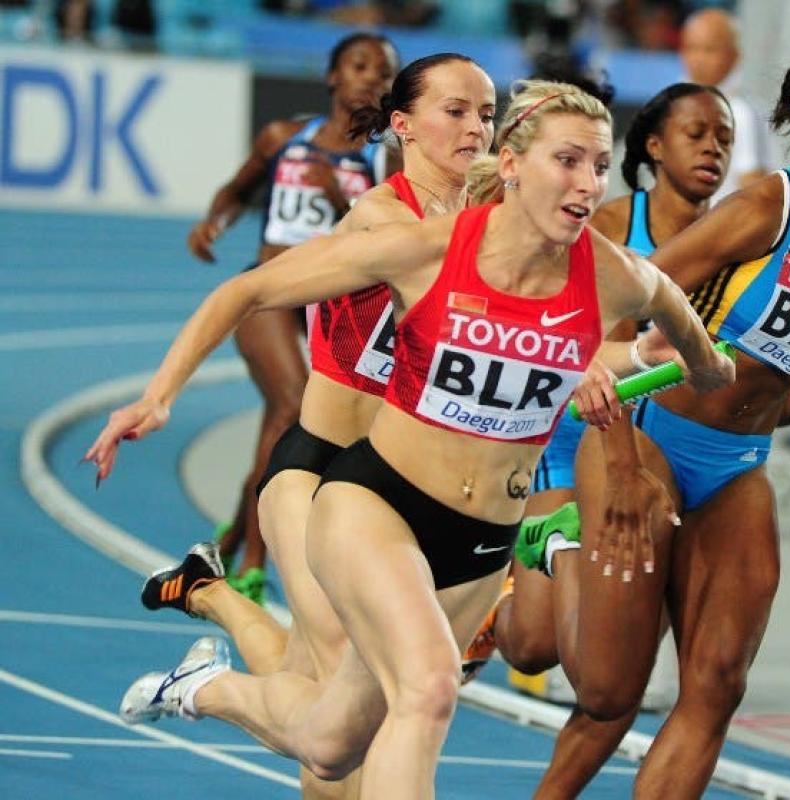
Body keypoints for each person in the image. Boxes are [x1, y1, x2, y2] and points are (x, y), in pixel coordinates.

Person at [87, 80, 735, 797]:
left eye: (600, 166)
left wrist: (697, 365)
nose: (588, 184)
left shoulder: (617, 276)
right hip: (369, 496)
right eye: (568, 161)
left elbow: (683, 331)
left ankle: (203, 688)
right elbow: (249, 291)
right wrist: (157, 397)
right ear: (512, 164)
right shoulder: (414, 242)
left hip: (479, 542)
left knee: (332, 742)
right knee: (426, 690)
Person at [139, 51, 496, 800]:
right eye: (456, 111)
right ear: (403, 125)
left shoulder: (489, 227)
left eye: (487, 114)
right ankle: (207, 679)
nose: (476, 127)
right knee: (346, 702)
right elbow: (245, 293)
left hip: (399, 488)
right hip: (315, 471)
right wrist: (158, 396)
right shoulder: (382, 219)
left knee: (331, 701)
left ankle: (211, 597)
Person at [547, 48, 790, 796]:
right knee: (609, 692)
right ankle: (556, 542)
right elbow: (626, 296)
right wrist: (619, 456)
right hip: (650, 439)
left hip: (737, 466)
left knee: (717, 685)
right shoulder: (762, 211)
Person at [471, 81, 735, 797]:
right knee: (534, 648)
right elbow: (578, 335)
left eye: (724, 137)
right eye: (696, 134)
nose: (712, 148)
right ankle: (537, 562)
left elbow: (719, 368)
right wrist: (617, 462)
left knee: (608, 670)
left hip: (662, 455)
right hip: (572, 436)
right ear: (653, 146)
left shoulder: (734, 243)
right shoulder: (611, 222)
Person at [187, 32, 399, 603]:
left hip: (335, 303)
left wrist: (340, 201)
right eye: (359, 65)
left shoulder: (385, 160)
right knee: (291, 403)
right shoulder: (284, 138)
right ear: (332, 75)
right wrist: (214, 223)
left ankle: (232, 538)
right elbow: (237, 190)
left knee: (295, 425)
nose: (370, 78)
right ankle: (255, 563)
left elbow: (390, 237)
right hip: (270, 291)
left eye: (383, 72)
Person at [678, 7, 771, 201]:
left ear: (734, 55)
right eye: (691, 48)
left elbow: (753, 192)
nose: (698, 59)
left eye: (709, 49)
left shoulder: (742, 113)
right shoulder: (670, 106)